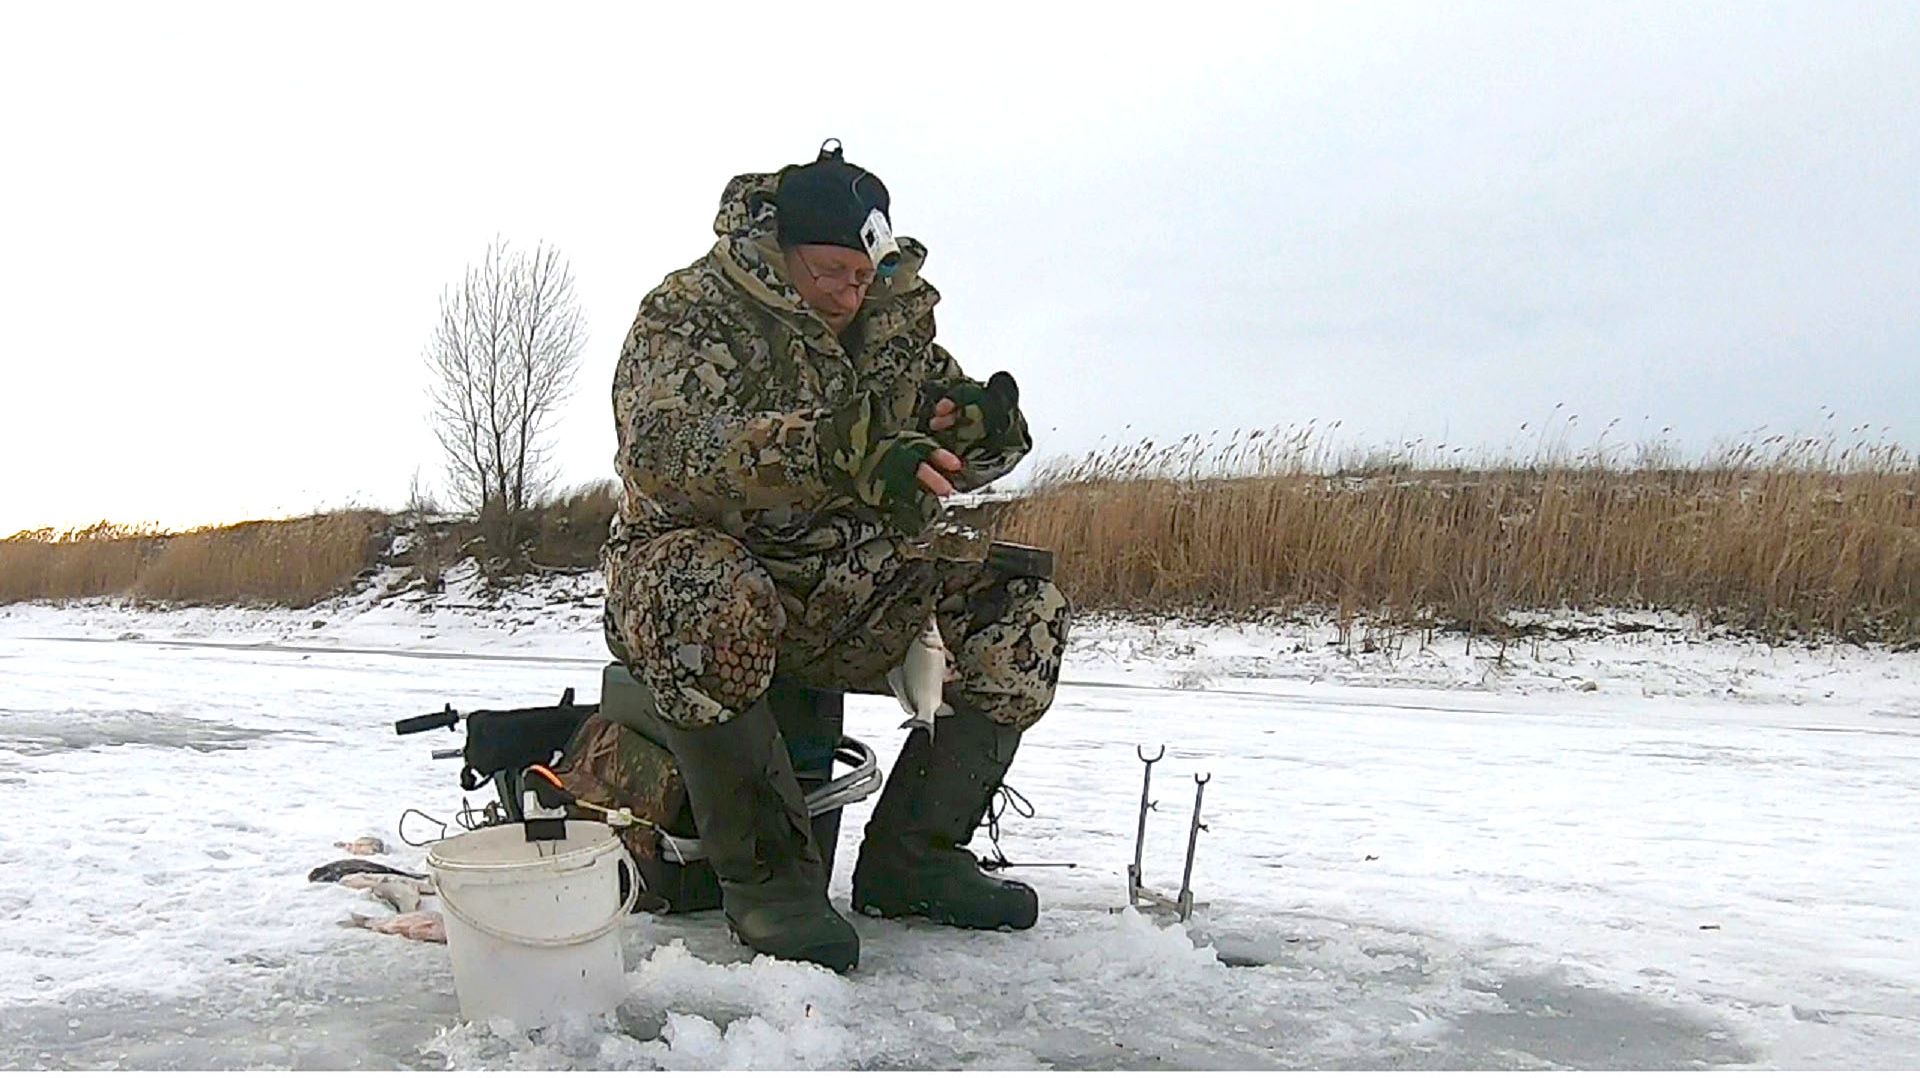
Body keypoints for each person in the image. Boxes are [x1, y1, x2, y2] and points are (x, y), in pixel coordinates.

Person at [601, 141, 1071, 972]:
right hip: (703, 583)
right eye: (828, 273)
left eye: (861, 277)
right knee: (705, 593)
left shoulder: (889, 327)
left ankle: (914, 858)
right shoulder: (690, 310)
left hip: (849, 587)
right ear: (780, 250)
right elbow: (661, 450)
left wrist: (983, 432)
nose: (847, 295)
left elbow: (943, 443)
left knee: (1022, 611)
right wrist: (831, 449)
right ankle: (771, 883)